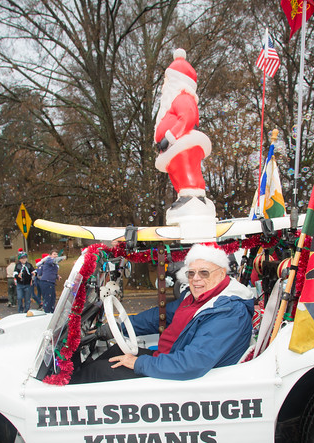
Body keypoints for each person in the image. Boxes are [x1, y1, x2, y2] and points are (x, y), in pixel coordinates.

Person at [70, 244, 254, 384]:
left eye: (204, 273)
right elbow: (156, 317)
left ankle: (68, 396)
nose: (196, 279)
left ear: (222, 273)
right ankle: (76, 375)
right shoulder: (197, 298)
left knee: (98, 372)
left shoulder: (228, 311)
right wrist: (118, 328)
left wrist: (138, 364)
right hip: (170, 359)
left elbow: (192, 363)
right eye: (191, 273)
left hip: (187, 381)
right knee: (116, 351)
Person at [154, 48, 214, 224]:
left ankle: (193, 195)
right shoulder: (171, 100)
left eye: (168, 80)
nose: (165, 85)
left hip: (182, 144)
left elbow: (187, 117)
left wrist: (170, 137)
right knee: (176, 172)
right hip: (174, 148)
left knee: (186, 169)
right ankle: (185, 196)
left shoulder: (182, 97)